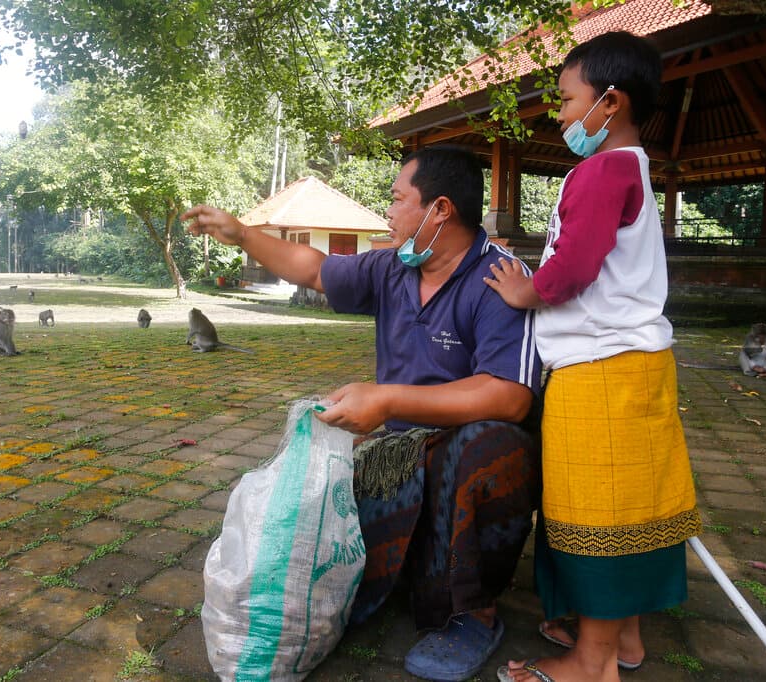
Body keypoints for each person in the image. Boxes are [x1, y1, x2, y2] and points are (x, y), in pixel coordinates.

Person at [182, 145, 543, 682]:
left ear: (439, 209)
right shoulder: (393, 268)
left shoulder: (499, 279)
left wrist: (388, 399)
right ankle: (409, 573)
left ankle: (472, 613)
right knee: (330, 548)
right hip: (395, 454)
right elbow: (318, 269)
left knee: (486, 445)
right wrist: (243, 235)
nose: (389, 213)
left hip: (463, 454)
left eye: (398, 200)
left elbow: (510, 396)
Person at [484, 31, 702, 682]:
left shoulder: (602, 169)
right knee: (630, 509)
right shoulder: (632, 166)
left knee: (598, 513)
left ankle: (591, 662)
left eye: (567, 99)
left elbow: (574, 266)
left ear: (611, 101)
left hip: (602, 371)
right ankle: (623, 641)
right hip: (631, 365)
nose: (560, 113)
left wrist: (526, 289)